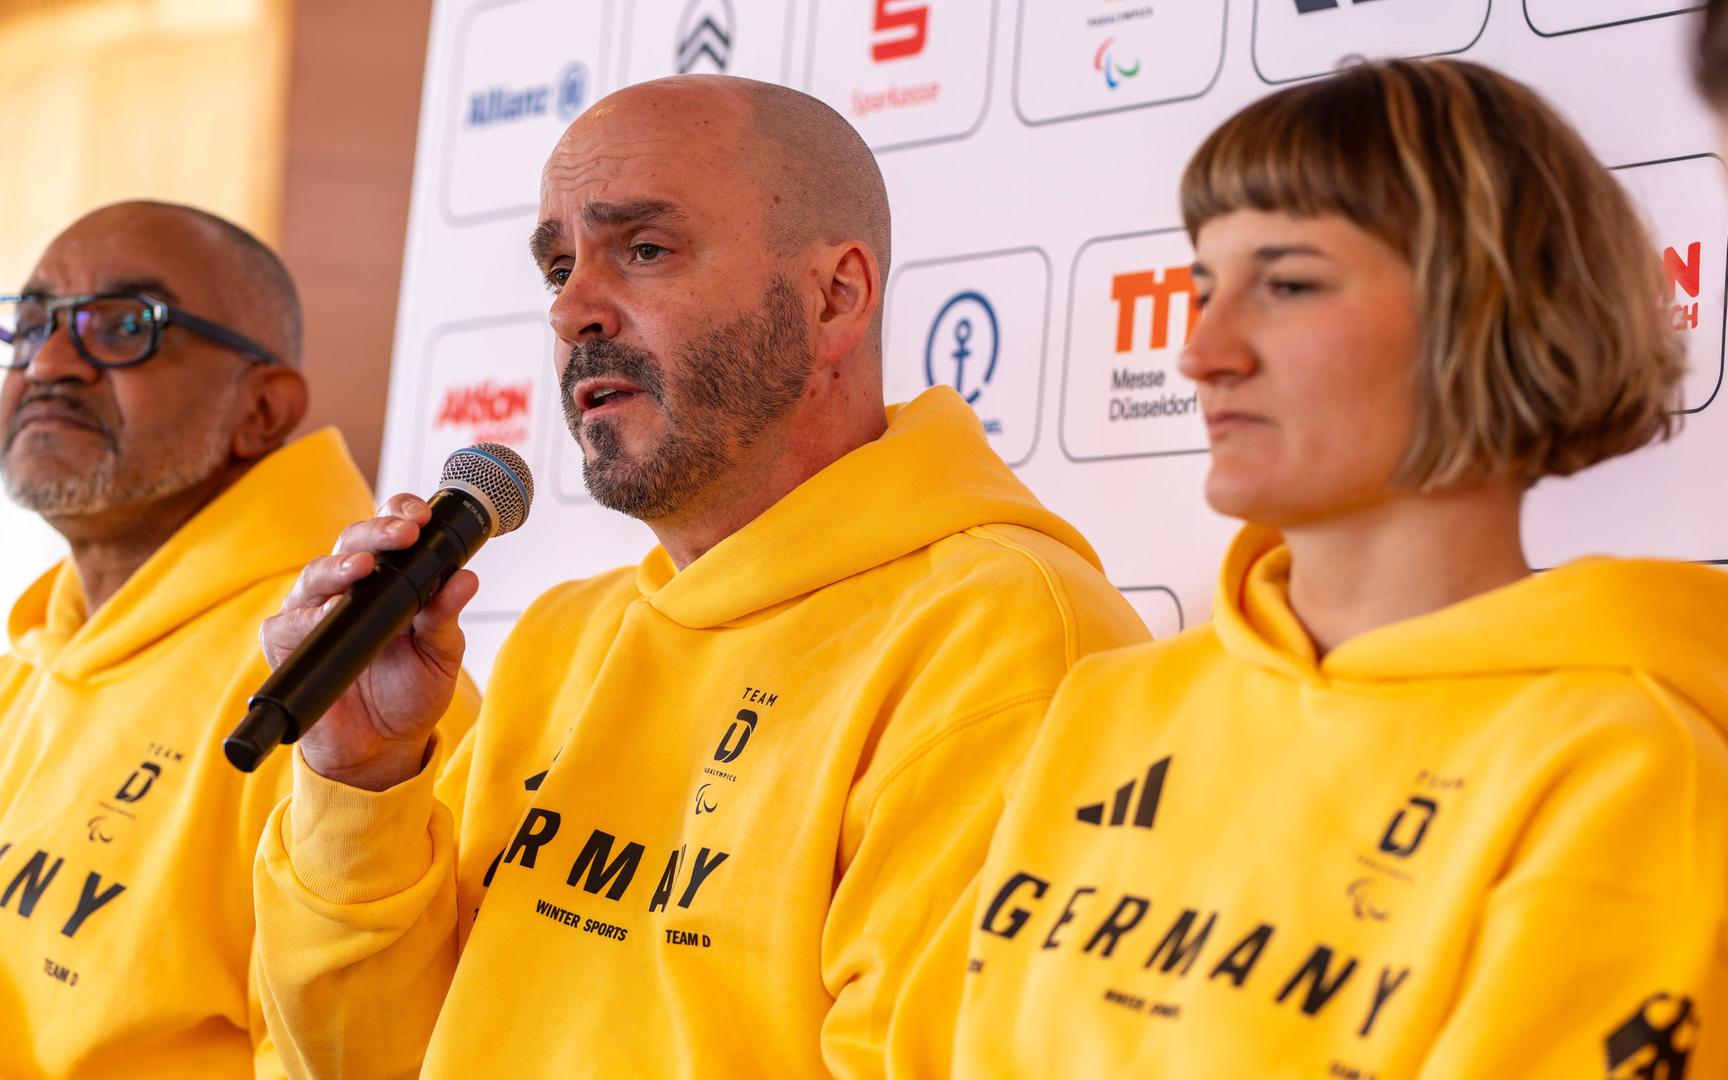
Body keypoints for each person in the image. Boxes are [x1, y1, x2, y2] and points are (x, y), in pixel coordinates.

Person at [250, 74, 1149, 1078]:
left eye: (644, 249)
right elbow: (357, 1064)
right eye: (558, 266)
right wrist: (362, 784)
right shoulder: (563, 638)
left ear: (834, 296)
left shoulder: (1005, 637)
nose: (573, 313)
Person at [884, 58, 1728, 1078]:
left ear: (1488, 309)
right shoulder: (1111, 702)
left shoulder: (1624, 767)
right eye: (1204, 287)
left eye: (1286, 284)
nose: (1202, 350)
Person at [0, 200, 477, 1077]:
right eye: (32, 322)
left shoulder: (343, 690)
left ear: (263, 411)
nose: (48, 361)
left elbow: (371, 1058)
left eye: (123, 327)